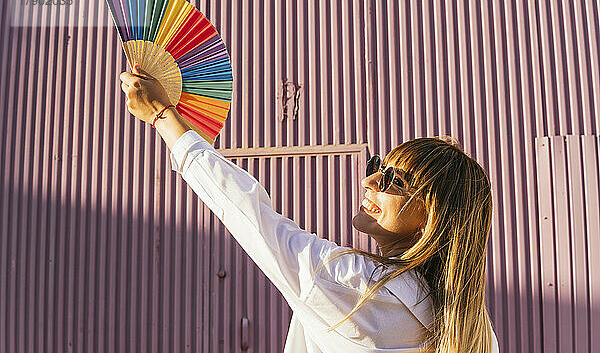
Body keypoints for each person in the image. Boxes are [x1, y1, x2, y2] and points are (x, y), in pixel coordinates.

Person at [119, 63, 500, 352]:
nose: (369, 182)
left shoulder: (355, 284)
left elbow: (252, 216)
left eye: (392, 181)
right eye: (376, 168)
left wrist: (162, 115)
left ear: (430, 218)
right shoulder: (472, 328)